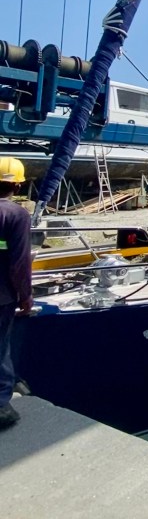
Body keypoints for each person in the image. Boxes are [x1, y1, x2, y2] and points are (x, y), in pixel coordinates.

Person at [0, 158, 33, 431]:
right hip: (2, 296)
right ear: (18, 186)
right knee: (1, 349)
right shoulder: (16, 215)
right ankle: (1, 407)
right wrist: (26, 296)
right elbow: (19, 263)